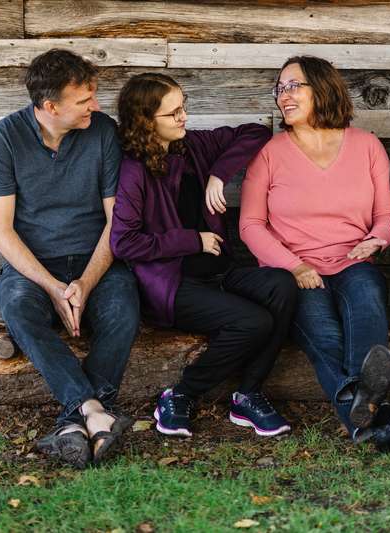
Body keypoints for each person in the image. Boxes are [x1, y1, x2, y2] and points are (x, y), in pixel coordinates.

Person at [240, 55, 390, 450]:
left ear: (323, 88)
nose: (284, 95)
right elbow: (249, 225)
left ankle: (365, 415)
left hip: (353, 262)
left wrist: (378, 239)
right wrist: (293, 265)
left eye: (294, 85)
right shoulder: (270, 153)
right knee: (324, 336)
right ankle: (380, 419)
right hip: (293, 270)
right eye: (280, 88)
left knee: (367, 299)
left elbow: (386, 214)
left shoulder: (365, 146)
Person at [110, 73, 296, 438]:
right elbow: (125, 243)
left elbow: (254, 133)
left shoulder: (193, 146)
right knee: (253, 322)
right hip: (172, 285)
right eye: (173, 113)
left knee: (283, 284)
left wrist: (218, 174)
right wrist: (192, 241)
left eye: (184, 107)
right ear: (147, 121)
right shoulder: (135, 171)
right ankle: (181, 394)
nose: (183, 117)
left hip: (221, 272)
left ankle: (247, 395)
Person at [0, 49, 140, 468]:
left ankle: (73, 421)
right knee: (15, 304)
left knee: (124, 307)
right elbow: (0, 229)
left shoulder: (102, 131)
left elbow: (115, 222)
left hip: (97, 260)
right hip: (34, 266)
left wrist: (85, 282)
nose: (96, 106)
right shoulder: (5, 138)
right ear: (50, 107)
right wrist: (52, 287)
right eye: (84, 100)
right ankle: (95, 411)